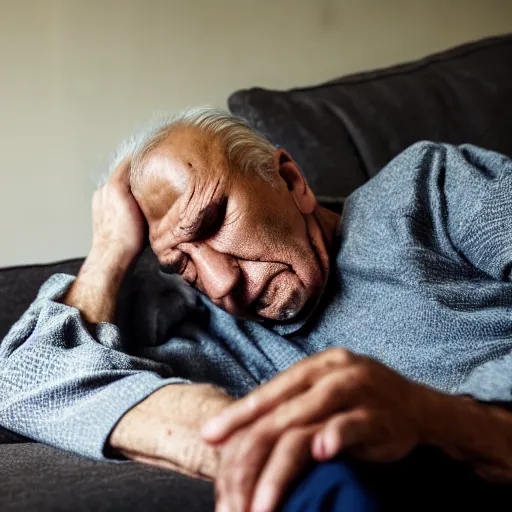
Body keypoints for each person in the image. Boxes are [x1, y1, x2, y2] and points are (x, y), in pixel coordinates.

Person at [2, 107, 512, 511]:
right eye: (183, 263)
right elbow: (21, 383)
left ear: (290, 181)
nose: (222, 283)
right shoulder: (207, 332)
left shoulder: (428, 187)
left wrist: (446, 421)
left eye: (213, 220)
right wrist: (108, 254)